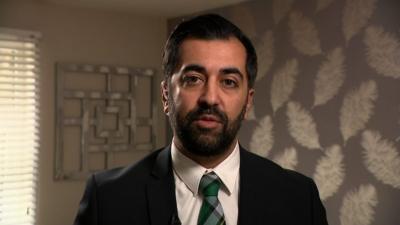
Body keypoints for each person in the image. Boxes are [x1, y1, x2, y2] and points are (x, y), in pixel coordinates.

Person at [73, 14, 328, 225]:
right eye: (193, 79)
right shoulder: (108, 199)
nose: (210, 98)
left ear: (248, 101)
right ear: (165, 95)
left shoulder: (298, 198)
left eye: (229, 82)